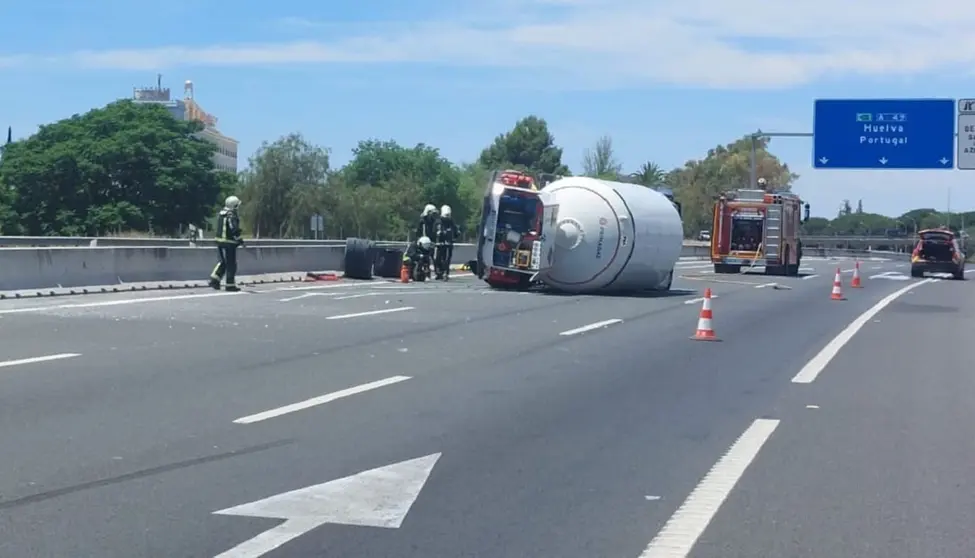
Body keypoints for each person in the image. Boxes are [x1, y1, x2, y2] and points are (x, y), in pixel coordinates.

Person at [208, 195, 244, 291]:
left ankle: (214, 280)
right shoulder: (231, 214)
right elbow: (233, 228)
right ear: (234, 206)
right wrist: (239, 239)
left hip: (220, 242)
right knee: (231, 264)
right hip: (229, 243)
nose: (238, 207)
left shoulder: (221, 213)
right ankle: (230, 285)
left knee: (223, 262)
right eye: (237, 205)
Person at [434, 204, 456, 279]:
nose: (447, 217)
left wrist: (454, 236)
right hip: (440, 243)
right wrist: (438, 234)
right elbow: (435, 230)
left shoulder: (451, 221)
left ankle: (446, 272)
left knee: (447, 258)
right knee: (438, 258)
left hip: (449, 243)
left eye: (448, 215)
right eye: (446, 215)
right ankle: (438, 272)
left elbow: (455, 230)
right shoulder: (438, 221)